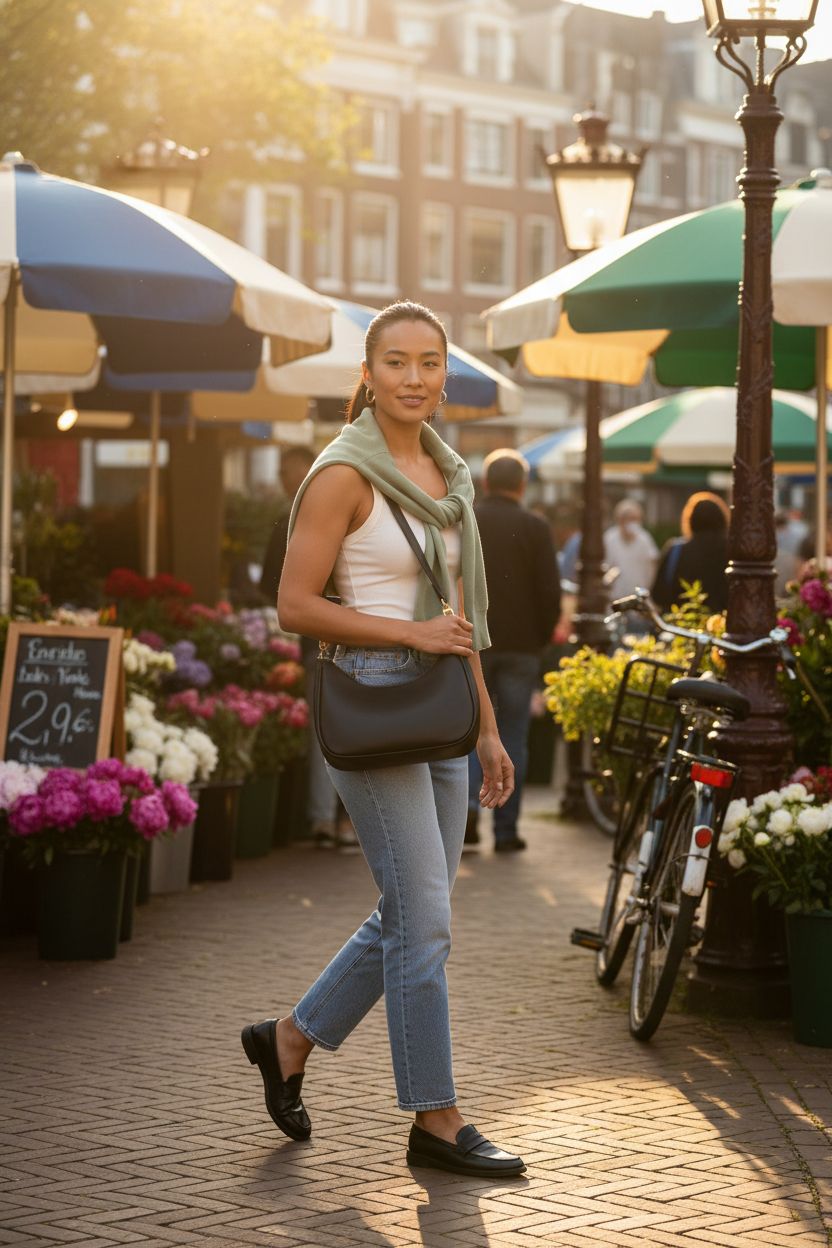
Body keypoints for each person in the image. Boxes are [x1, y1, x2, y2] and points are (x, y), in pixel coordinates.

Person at [242, 301, 525, 1179]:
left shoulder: (446, 476)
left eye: (430, 363)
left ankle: (287, 1040)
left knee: (411, 914)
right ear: (367, 375)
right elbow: (293, 604)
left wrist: (484, 725)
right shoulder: (343, 473)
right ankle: (436, 1119)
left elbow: (459, 619)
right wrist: (408, 638)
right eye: (396, 362)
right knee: (426, 923)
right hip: (371, 708)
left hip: (439, 710)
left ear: (446, 375)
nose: (414, 377)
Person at [466, 449, 560, 853]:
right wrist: (538, 638)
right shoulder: (536, 527)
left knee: (470, 732)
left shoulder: (468, 519)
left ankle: (466, 819)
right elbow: (550, 592)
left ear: (485, 484)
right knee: (515, 735)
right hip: (522, 646)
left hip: (472, 643)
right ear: (522, 486)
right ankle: (506, 829)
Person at [260, 446, 345, 849]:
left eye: (288, 473)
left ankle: (325, 818)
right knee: (343, 730)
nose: (284, 480)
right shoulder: (344, 510)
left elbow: (270, 588)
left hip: (322, 640)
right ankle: (330, 819)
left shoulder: (292, 521)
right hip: (342, 637)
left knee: (325, 732)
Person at [652, 491, 731, 612]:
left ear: (690, 520)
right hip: (722, 626)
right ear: (723, 520)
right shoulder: (734, 552)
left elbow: (658, 596)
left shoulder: (676, 551)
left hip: (681, 625)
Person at [603, 499, 658, 598]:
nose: (634, 523)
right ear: (620, 520)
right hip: (615, 598)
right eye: (631, 519)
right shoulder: (609, 538)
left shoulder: (644, 538)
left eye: (637, 519)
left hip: (637, 598)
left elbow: (652, 564)